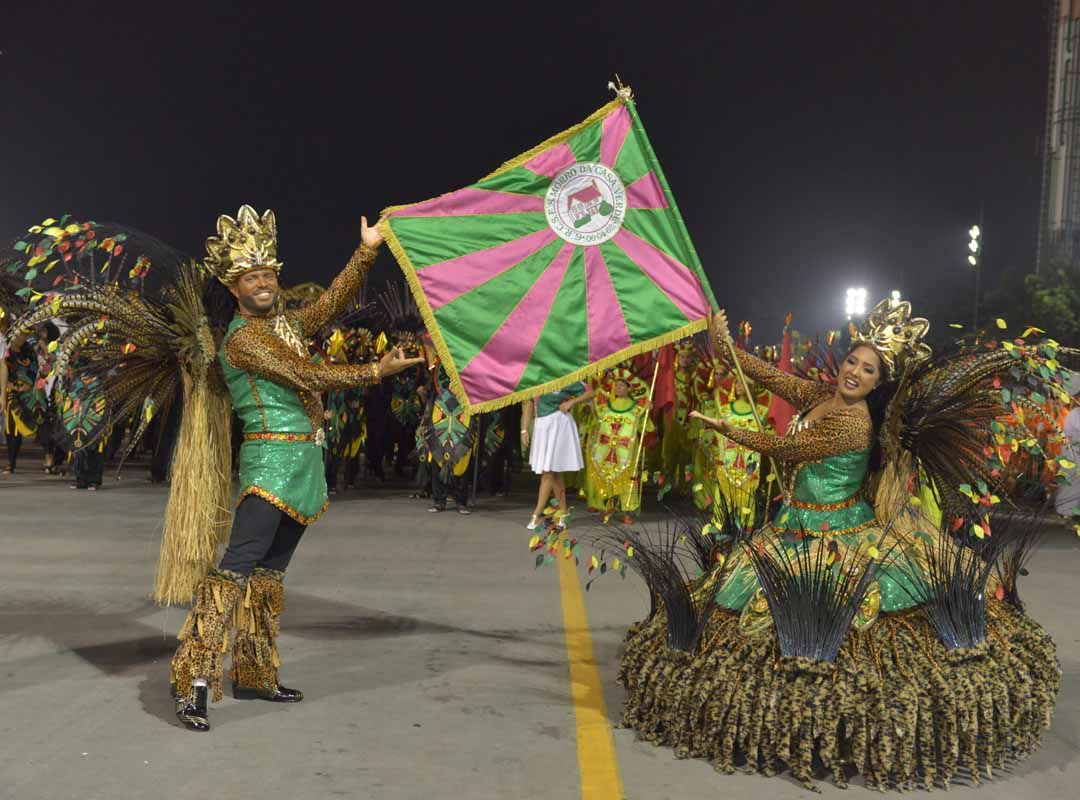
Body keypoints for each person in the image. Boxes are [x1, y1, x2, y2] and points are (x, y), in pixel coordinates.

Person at [616, 300, 1063, 788]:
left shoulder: (854, 423)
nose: (855, 372)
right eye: (853, 361)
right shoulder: (821, 395)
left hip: (834, 533)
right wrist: (724, 345)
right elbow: (770, 376)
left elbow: (791, 448)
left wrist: (732, 432)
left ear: (877, 383)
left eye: (868, 370)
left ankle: (826, 716)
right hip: (794, 524)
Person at [169, 205, 424, 731]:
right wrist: (375, 371)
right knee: (235, 569)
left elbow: (330, 304)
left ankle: (255, 672)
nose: (263, 283)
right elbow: (305, 374)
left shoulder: (283, 324)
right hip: (270, 462)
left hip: (305, 462)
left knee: (270, 573)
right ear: (234, 288)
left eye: (268, 274)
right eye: (251, 278)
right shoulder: (243, 340)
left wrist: (366, 252)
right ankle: (192, 681)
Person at [521, 380, 594, 530]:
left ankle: (537, 513)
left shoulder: (565, 377)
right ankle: (564, 512)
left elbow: (591, 392)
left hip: (559, 424)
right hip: (542, 426)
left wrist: (571, 402)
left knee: (547, 472)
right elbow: (529, 404)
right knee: (554, 472)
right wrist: (524, 429)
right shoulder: (535, 378)